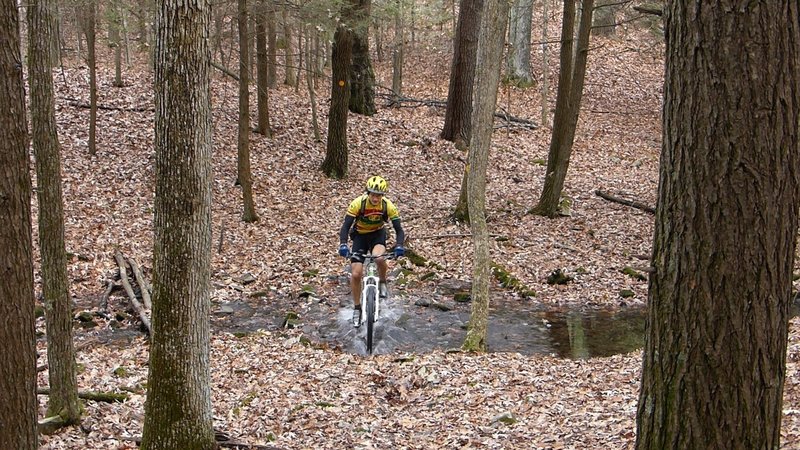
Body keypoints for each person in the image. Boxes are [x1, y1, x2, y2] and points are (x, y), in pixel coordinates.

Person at [338, 175, 405, 327]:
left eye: (379, 195)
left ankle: (382, 281)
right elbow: (345, 227)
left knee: (379, 258)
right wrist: (343, 244)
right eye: (373, 194)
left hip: (377, 235)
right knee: (356, 273)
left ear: (383, 195)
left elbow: (399, 230)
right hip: (360, 237)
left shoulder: (387, 206)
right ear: (368, 193)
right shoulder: (358, 204)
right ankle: (357, 308)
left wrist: (399, 245)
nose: (376, 198)